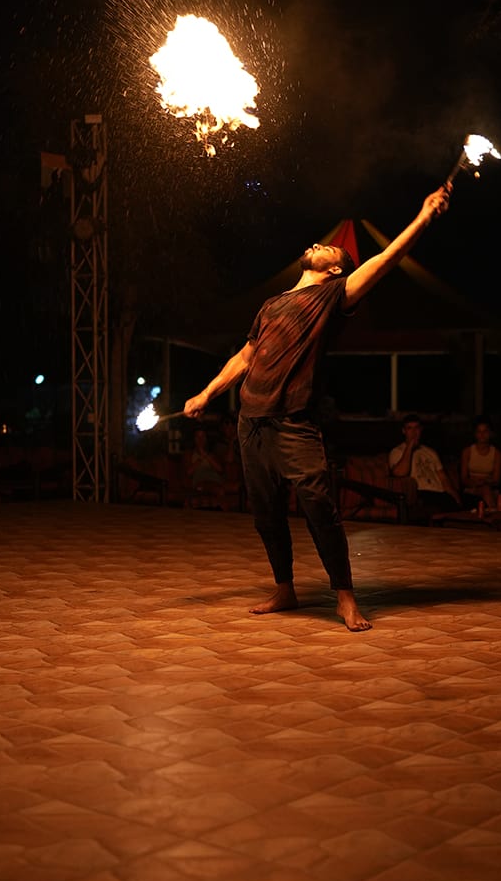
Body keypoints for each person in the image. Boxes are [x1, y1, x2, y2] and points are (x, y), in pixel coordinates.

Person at [183, 183, 452, 632]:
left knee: (319, 506)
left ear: (334, 269)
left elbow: (384, 263)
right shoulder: (271, 305)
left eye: (326, 249)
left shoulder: (333, 296)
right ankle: (284, 588)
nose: (316, 245)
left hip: (295, 424)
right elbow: (245, 357)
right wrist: (207, 393)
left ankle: (345, 597)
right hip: (250, 421)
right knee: (265, 512)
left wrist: (423, 216)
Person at [388, 413, 461, 520]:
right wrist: (409, 448)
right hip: (421, 493)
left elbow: (443, 478)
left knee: (475, 500)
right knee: (446, 502)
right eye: (409, 428)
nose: (413, 432)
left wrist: (455, 495)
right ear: (403, 431)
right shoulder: (397, 452)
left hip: (440, 493)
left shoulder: (430, 452)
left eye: (416, 428)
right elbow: (400, 473)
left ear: (421, 430)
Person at [459, 415, 501, 512]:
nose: (482, 435)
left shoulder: (496, 453)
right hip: (472, 487)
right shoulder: (467, 451)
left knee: (486, 489)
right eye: (479, 431)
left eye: (485, 431)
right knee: (485, 490)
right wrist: (475, 482)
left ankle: (494, 512)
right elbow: (463, 479)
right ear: (475, 434)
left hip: (489, 486)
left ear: (490, 433)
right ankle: (496, 512)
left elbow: (497, 480)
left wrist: (485, 481)